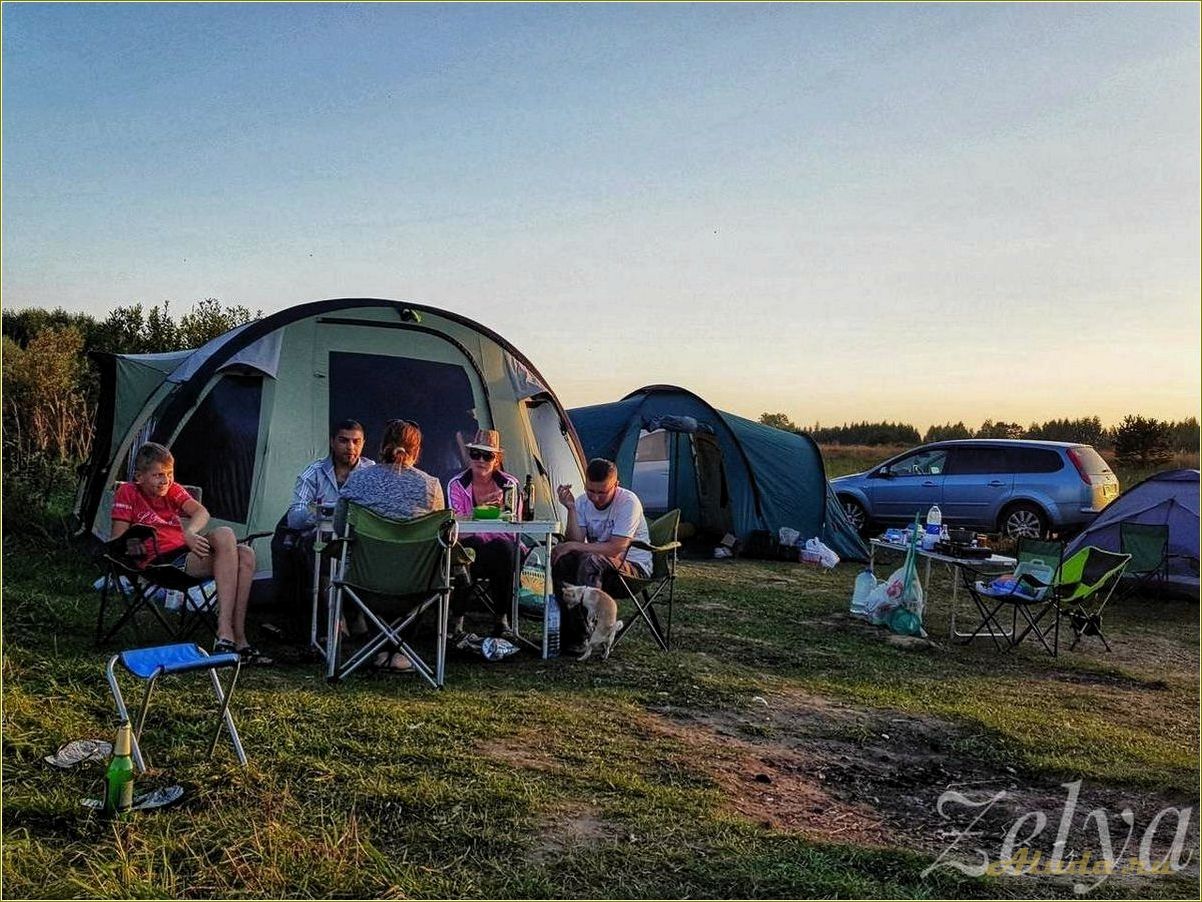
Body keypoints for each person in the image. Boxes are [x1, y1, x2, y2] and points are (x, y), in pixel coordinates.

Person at [110, 442, 272, 664]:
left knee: (245, 554)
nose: (165, 480)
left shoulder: (173, 490)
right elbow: (117, 540)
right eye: (158, 475)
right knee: (226, 535)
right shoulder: (128, 492)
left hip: (185, 551)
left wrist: (190, 532)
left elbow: (201, 512)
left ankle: (237, 638)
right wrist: (133, 549)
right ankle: (226, 632)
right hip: (162, 563)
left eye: (168, 474)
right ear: (139, 476)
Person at [338, 419, 445, 671]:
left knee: (375, 570)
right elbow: (438, 535)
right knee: (428, 570)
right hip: (416, 586)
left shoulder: (357, 481)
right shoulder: (430, 486)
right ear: (416, 452)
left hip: (363, 585)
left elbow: (340, 528)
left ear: (382, 446)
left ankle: (382, 647)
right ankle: (398, 651)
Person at [272, 419, 375, 646]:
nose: (350, 447)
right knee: (320, 548)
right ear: (332, 442)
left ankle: (354, 620)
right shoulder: (314, 472)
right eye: (344, 441)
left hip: (360, 540)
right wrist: (324, 515)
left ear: (363, 443)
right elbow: (295, 516)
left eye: (356, 442)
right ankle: (338, 621)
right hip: (325, 541)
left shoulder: (372, 472)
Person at [552, 458, 652, 652]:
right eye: (590, 490)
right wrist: (571, 509)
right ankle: (568, 632)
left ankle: (584, 634)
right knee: (562, 558)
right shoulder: (582, 502)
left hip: (632, 570)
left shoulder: (628, 502)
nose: (595, 497)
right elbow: (575, 541)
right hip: (597, 568)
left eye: (602, 492)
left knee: (591, 560)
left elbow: (616, 548)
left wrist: (573, 545)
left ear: (616, 485)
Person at [445, 428, 523, 635]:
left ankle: (501, 620)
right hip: (470, 544)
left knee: (504, 550)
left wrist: (487, 517)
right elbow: (456, 525)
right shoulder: (456, 484)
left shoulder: (509, 485)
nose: (480, 460)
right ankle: (458, 621)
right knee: (469, 549)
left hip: (500, 546)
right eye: (475, 454)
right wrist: (479, 512)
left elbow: (513, 525)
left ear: (496, 460)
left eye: (487, 455)